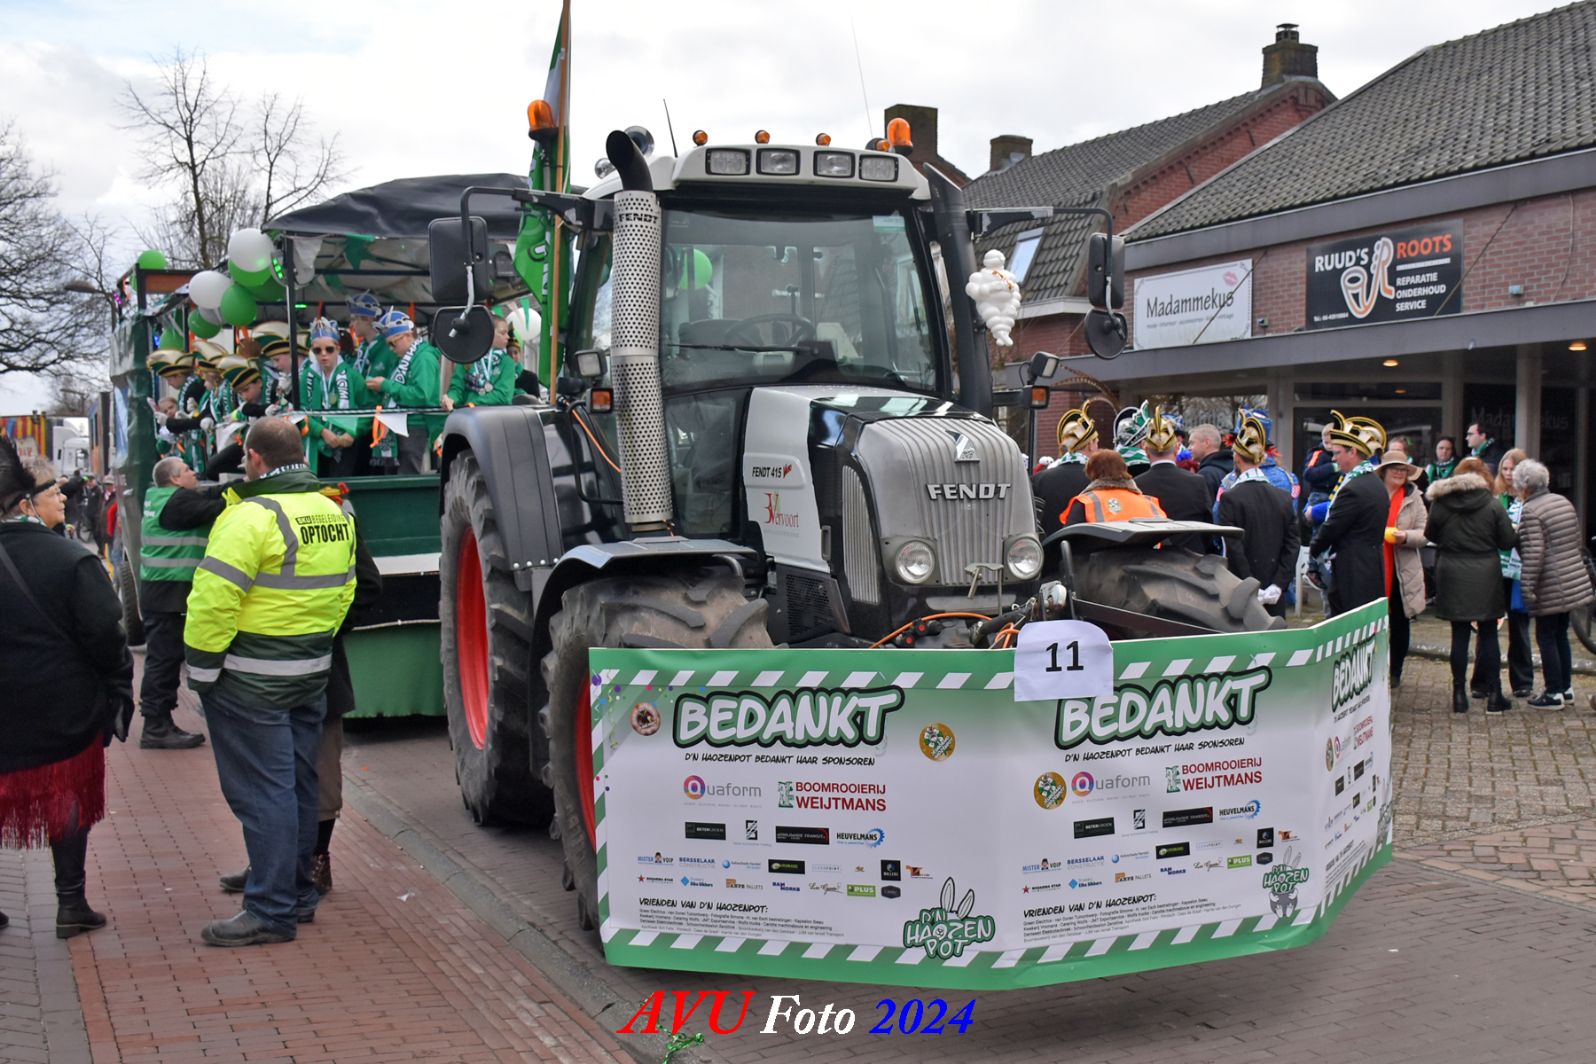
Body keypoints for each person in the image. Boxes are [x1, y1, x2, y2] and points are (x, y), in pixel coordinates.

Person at [184, 417, 357, 946]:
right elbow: (345, 591)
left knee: (265, 794)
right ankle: (297, 894)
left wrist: (202, 672)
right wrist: (311, 647)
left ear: (255, 458)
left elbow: (213, 600)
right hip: (309, 674)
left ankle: (270, 908)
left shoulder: (250, 516)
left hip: (250, 682)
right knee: (300, 787)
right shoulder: (335, 510)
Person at [0, 439, 132, 938]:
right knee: (67, 795)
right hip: (62, 707)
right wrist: (117, 685)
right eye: (52, 491)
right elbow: (106, 634)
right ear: (25, 503)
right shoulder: (71, 559)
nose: (62, 497)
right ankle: (71, 902)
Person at [220, 492, 382, 899]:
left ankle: (313, 864)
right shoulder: (254, 513)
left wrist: (324, 630)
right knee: (274, 778)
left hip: (312, 671)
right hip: (280, 673)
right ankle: (275, 866)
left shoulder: (328, 511)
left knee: (316, 776)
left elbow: (366, 585)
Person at [136, 457, 224, 749]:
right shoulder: (178, 504)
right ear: (174, 479)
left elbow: (207, 495)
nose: (193, 472)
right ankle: (155, 726)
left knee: (165, 658)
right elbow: (217, 505)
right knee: (164, 660)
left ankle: (160, 722)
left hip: (161, 591)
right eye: (187, 470)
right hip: (167, 593)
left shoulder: (162, 498)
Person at [1425, 456, 1517, 713]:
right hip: (1485, 571)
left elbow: (1430, 535)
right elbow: (1507, 541)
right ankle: (1495, 694)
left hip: (1451, 570)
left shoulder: (1441, 503)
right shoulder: (1492, 505)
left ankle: (1458, 694)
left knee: (1459, 633)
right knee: (1488, 633)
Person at [1514, 458, 1594, 709]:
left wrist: (1528, 587)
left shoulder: (1531, 511)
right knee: (1561, 633)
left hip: (1549, 582)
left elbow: (1534, 553)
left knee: (1546, 635)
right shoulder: (1562, 501)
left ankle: (1553, 691)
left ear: (1525, 487)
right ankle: (1566, 687)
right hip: (1571, 578)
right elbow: (1575, 539)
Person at [1216, 414, 1298, 615]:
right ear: (1261, 459)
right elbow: (1292, 544)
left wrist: (1250, 583)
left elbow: (1233, 548)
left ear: (1236, 456)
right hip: (1274, 588)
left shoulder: (1230, 497)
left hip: (1241, 588)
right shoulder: (1283, 497)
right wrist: (1278, 584)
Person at [1310, 413, 1388, 616]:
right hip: (1371, 564)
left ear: (1352, 452)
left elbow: (1332, 527)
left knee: (1350, 624)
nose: (1333, 458)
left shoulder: (1353, 488)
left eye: (1337, 453)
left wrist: (1314, 549)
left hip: (1353, 568)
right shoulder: (1375, 481)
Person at [1374, 451, 1428, 688]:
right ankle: (1373, 669)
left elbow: (1425, 533)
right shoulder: (1373, 493)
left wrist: (1404, 536)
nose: (1399, 473)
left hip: (1403, 569)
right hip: (1375, 565)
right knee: (1373, 621)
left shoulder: (1414, 497)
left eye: (1403, 469)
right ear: (1384, 471)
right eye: (1394, 468)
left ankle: (1395, 670)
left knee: (1399, 621)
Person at [365, 309, 441, 474]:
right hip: (398, 425)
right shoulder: (403, 358)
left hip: (414, 426)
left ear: (407, 335)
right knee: (392, 478)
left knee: (407, 477)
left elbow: (421, 395)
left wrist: (386, 385)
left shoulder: (424, 358)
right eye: (388, 345)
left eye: (393, 343)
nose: (391, 349)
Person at [1135, 407, 1212, 552]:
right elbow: (1208, 526)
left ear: (1146, 451)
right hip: (1192, 558)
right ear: (1176, 449)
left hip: (1151, 559)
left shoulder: (1137, 485)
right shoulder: (1197, 482)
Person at [1493, 448, 1534, 698]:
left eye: (1513, 469)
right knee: (1490, 624)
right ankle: (1487, 680)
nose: (1508, 474)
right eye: (1505, 469)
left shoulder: (1530, 498)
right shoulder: (1495, 496)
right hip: (1496, 567)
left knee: (1519, 625)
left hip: (1520, 569)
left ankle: (1522, 680)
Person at [300, 318, 362, 477]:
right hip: (315, 442)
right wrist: (322, 431)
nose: (323, 354)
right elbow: (300, 412)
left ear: (338, 349)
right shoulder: (307, 376)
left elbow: (370, 408)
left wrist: (353, 433)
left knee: (340, 487)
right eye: (317, 350)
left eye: (329, 349)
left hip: (346, 442)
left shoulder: (352, 376)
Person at [1033, 407, 1099, 544]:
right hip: (1087, 554)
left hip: (1047, 552)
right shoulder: (1099, 480)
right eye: (1097, 442)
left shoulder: (1038, 480)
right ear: (1090, 445)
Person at [1063, 450, 1167, 526]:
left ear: (1091, 473)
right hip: (1147, 551)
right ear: (1124, 469)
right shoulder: (1149, 503)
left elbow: (1069, 539)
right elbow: (1164, 541)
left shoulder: (1086, 502)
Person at [442, 316, 519, 412]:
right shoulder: (467, 358)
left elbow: (503, 395)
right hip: (467, 415)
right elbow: (457, 387)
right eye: (503, 333)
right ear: (488, 332)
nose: (508, 337)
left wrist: (474, 404)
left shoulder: (507, 362)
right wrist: (451, 399)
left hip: (495, 416)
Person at [1189, 424, 1231, 501]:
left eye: (1192, 443)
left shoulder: (1206, 475)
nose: (1189, 448)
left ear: (1206, 443)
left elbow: (1204, 506)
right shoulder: (1232, 468)